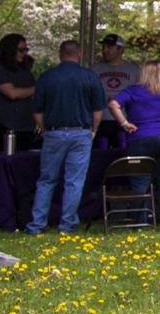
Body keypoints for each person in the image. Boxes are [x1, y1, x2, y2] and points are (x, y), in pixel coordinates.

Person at [24, 41, 105, 234]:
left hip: (54, 132)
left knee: (46, 180)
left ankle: (37, 224)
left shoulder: (47, 77)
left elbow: (36, 111)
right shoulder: (89, 77)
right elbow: (98, 110)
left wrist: (45, 129)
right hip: (81, 131)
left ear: (60, 54)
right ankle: (67, 224)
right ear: (79, 54)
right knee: (74, 181)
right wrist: (93, 131)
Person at [107, 63, 160, 226]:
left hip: (141, 137)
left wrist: (124, 123)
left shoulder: (133, 91)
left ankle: (140, 221)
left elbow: (113, 104)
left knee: (140, 181)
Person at [0, 33, 39, 146]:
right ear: (10, 50)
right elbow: (11, 93)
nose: (25, 53)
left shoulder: (25, 72)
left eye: (26, 50)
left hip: (26, 128)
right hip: (3, 128)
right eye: (21, 50)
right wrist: (38, 88)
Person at [89, 34, 138, 149]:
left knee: (122, 155)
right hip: (100, 121)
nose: (105, 50)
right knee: (99, 156)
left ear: (120, 49)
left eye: (109, 47)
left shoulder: (134, 70)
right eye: (104, 47)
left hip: (124, 120)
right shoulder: (94, 70)